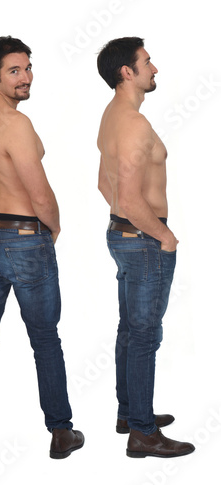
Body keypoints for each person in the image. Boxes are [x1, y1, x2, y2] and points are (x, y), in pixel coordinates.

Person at [0, 36, 84, 460]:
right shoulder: (17, 124)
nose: (26, 77)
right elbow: (40, 194)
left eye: (28, 68)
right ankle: (61, 431)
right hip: (24, 235)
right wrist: (54, 229)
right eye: (14, 71)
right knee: (45, 338)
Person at [96, 37, 195, 458]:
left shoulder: (113, 116)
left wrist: (127, 222)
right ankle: (142, 433)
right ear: (127, 73)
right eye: (147, 62)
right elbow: (133, 198)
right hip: (145, 239)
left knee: (130, 332)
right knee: (144, 337)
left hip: (124, 235)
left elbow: (105, 185)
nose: (155, 69)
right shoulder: (134, 124)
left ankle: (129, 412)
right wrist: (165, 237)